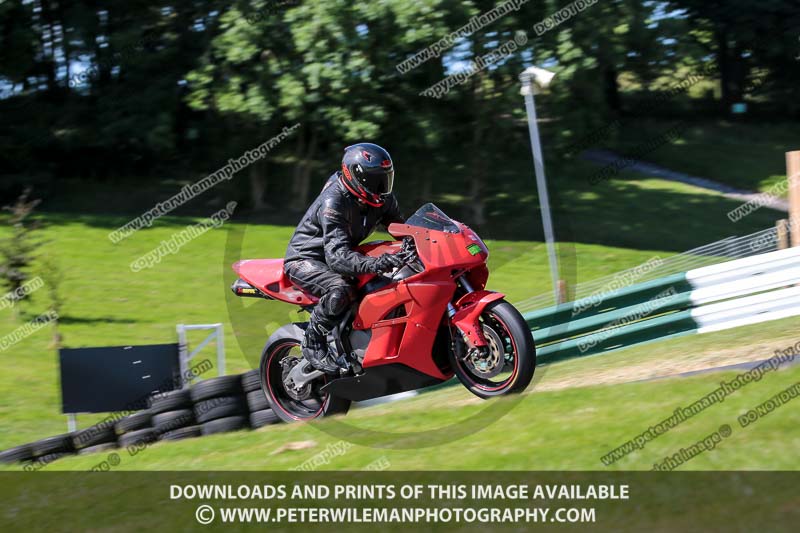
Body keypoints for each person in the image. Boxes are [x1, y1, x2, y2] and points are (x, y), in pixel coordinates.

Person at [283, 143, 408, 373]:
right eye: (375, 181)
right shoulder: (334, 201)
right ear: (355, 176)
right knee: (340, 290)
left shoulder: (382, 198)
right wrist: (377, 263)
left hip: (343, 252)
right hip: (306, 259)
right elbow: (337, 258)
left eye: (385, 179)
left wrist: (425, 240)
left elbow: (401, 228)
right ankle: (313, 341)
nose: (381, 187)